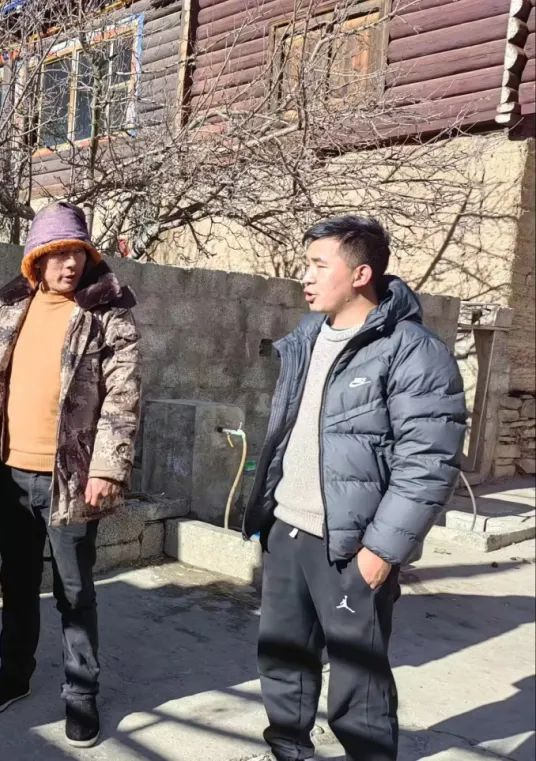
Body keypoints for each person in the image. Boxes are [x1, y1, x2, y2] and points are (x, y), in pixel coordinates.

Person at [243, 216, 466, 761]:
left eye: (319, 265)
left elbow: (428, 461)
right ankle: (288, 749)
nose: (306, 276)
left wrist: (381, 551)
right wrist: (268, 514)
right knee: (283, 660)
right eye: (307, 264)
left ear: (361, 274)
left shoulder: (412, 350)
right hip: (286, 530)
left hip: (351, 545)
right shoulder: (306, 338)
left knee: (357, 681)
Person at [0, 202, 142, 748]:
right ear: (36, 260)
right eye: (58, 254)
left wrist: (107, 468)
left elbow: (124, 397)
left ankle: (81, 693)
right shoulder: (10, 309)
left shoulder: (107, 313)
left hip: (72, 478)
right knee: (16, 581)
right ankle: (14, 674)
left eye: (78, 254)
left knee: (74, 590)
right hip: (13, 472)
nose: (70, 264)